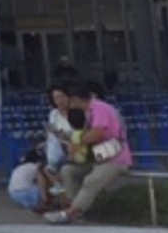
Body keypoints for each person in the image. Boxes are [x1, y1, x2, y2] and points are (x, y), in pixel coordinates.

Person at [48, 82, 132, 225]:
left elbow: (97, 133)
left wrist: (77, 144)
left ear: (76, 99)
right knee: (68, 170)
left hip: (115, 158)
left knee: (91, 180)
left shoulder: (100, 108)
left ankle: (71, 213)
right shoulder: (88, 112)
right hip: (98, 156)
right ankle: (76, 209)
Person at [7, 146, 47, 215]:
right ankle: (38, 204)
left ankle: (28, 203)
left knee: (30, 187)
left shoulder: (19, 167)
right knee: (37, 188)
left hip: (13, 193)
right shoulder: (35, 167)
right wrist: (44, 197)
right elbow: (41, 181)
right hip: (25, 192)